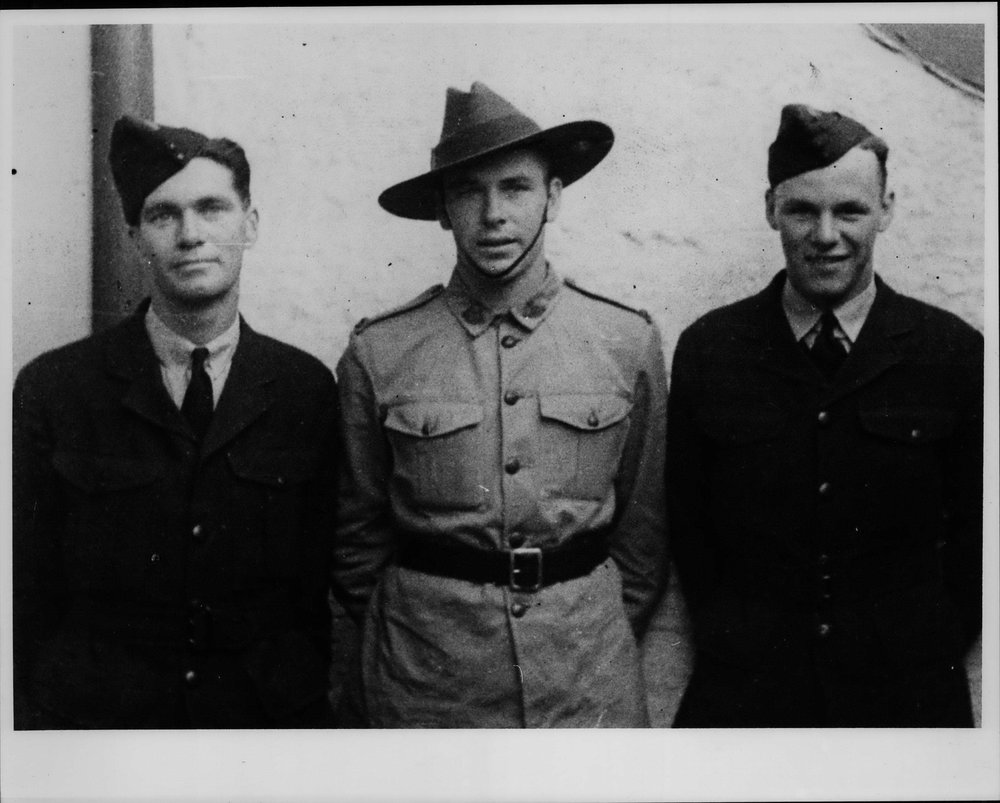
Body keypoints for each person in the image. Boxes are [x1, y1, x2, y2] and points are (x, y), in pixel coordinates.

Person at [333, 82, 669, 727]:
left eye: (515, 187)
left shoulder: (626, 340)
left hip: (584, 676)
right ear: (440, 209)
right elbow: (357, 542)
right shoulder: (381, 350)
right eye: (467, 191)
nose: (492, 214)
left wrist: (582, 632)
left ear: (554, 197)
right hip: (429, 680)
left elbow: (643, 536)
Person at [12, 116, 339, 728]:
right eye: (164, 215)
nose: (191, 235)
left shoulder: (304, 389)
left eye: (212, 209)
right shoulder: (55, 390)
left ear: (251, 224)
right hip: (104, 722)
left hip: (259, 721)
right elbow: (25, 592)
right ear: (136, 235)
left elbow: (319, 588)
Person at [666, 104, 983, 727]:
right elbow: (688, 522)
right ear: (770, 210)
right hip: (750, 690)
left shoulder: (951, 352)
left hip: (905, 695)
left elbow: (979, 530)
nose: (827, 234)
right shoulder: (712, 348)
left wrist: (930, 640)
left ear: (886, 210)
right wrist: (735, 632)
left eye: (851, 211)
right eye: (803, 210)